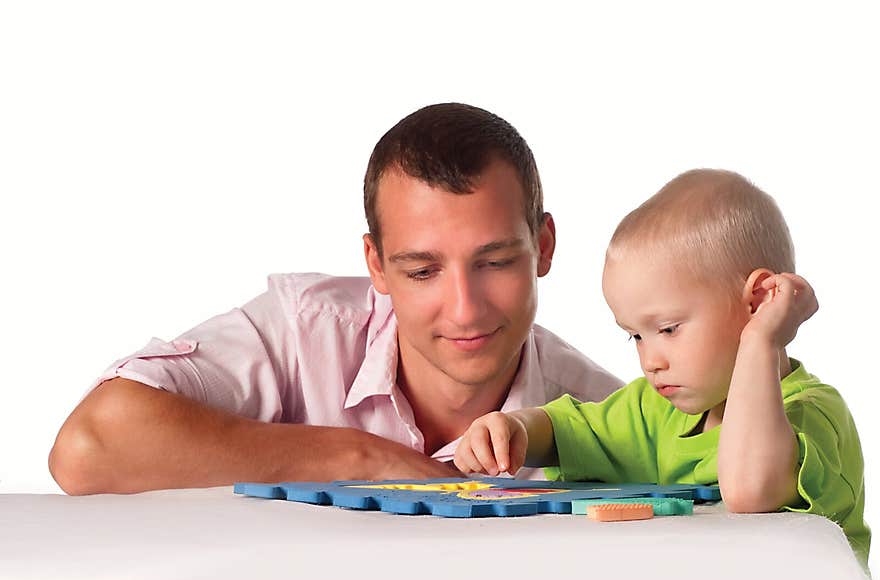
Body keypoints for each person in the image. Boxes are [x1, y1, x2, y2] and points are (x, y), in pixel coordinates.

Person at [48, 102, 623, 495]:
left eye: (494, 262)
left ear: (544, 247)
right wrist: (360, 457)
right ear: (376, 264)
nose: (465, 308)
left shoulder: (609, 415)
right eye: (422, 270)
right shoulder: (303, 333)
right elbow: (89, 445)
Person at [454, 168, 871, 568]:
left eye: (669, 329)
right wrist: (516, 429)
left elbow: (751, 490)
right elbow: (568, 430)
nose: (650, 360)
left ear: (758, 303)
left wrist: (760, 340)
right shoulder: (659, 411)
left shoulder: (815, 415)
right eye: (635, 336)